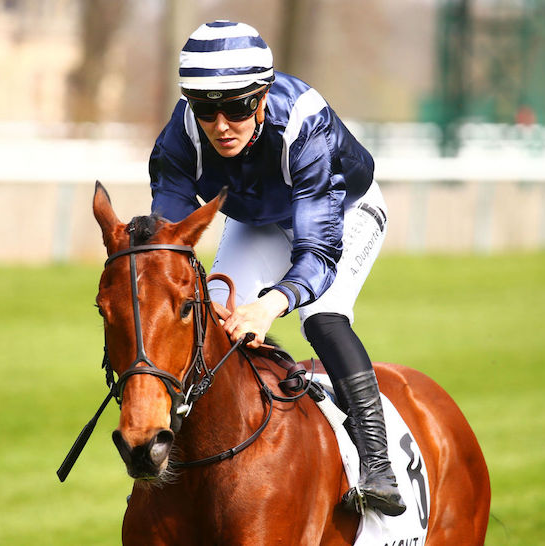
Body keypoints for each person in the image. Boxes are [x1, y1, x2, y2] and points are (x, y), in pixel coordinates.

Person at [148, 20, 406, 517]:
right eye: (205, 109)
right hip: (259, 219)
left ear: (262, 97)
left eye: (237, 107)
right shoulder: (179, 138)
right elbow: (169, 243)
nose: (221, 125)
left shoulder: (304, 125)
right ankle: (177, 452)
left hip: (343, 212)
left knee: (322, 317)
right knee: (211, 322)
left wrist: (269, 306)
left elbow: (318, 252)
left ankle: (379, 467)